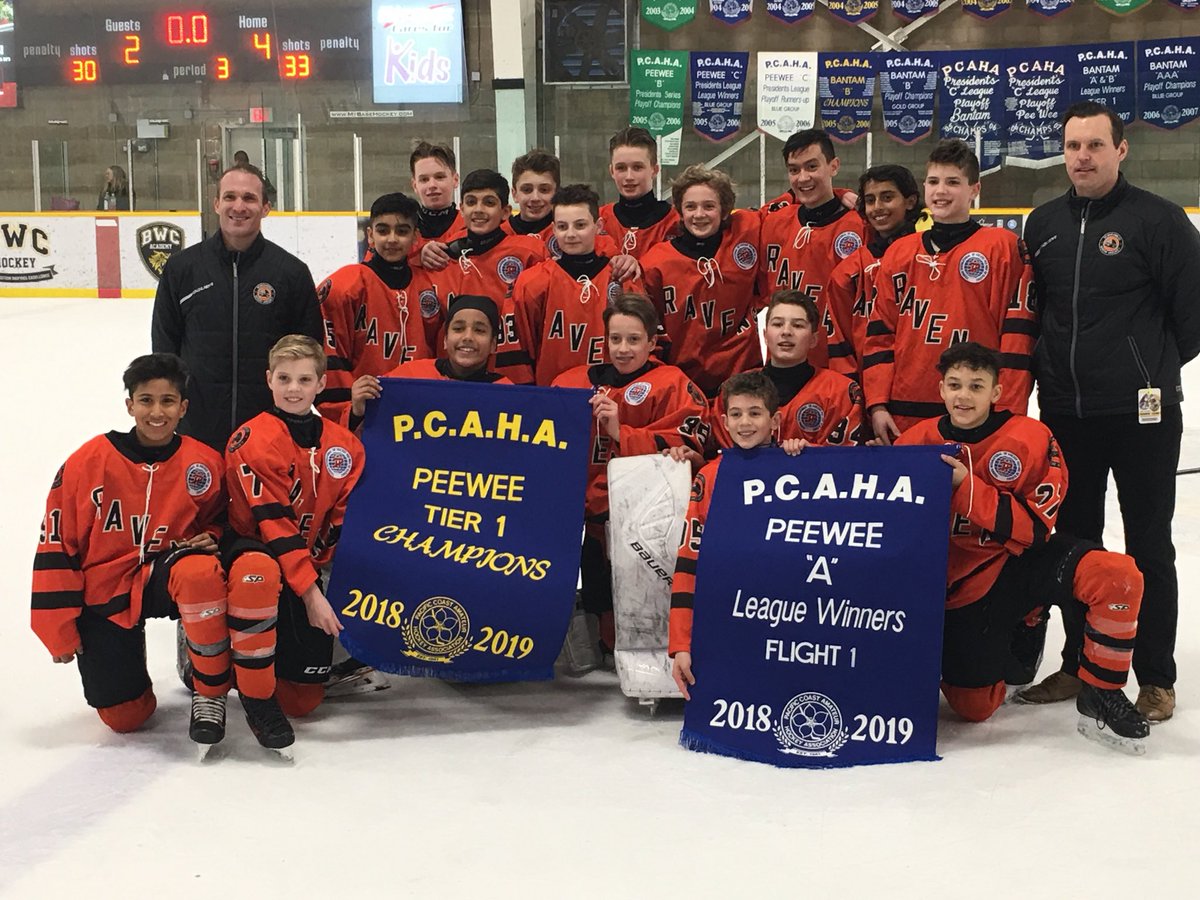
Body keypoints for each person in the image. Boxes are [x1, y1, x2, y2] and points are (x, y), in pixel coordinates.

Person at [1018, 101, 1200, 721]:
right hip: (1067, 412)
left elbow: (1192, 317)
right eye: (1073, 146)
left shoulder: (1161, 220)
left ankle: (1155, 676)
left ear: (1121, 150)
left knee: (1149, 543)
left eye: (1095, 145)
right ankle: (1078, 665)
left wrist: (1147, 368)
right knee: (1075, 544)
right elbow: (1034, 316)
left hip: (1143, 414)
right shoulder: (1041, 224)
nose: (1083, 157)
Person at [894, 342, 1149, 753]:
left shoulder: (1031, 436)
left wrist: (966, 489)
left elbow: (1034, 529)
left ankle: (1101, 690)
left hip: (1018, 561)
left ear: (996, 392)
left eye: (976, 386)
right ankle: (1021, 629)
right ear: (940, 389)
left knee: (1117, 576)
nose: (964, 396)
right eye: (955, 385)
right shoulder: (913, 442)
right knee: (974, 708)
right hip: (961, 586)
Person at [30, 353, 241, 751]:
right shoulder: (87, 462)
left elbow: (223, 520)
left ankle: (206, 682)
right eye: (146, 400)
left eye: (167, 401)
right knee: (126, 718)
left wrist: (214, 535)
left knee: (199, 573)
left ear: (184, 407)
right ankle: (126, 650)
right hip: (104, 590)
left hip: (167, 574)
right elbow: (57, 541)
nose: (156, 411)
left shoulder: (204, 463)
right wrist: (58, 629)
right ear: (129, 405)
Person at [224, 335, 365, 741]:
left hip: (303, 562)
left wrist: (317, 573)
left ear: (321, 384)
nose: (293, 389)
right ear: (268, 379)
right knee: (259, 572)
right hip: (256, 551)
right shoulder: (252, 440)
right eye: (284, 378)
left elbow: (339, 518)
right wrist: (310, 593)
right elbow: (274, 525)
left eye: (304, 380)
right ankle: (219, 656)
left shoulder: (345, 446)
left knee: (302, 702)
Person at [552, 294, 708, 657]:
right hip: (580, 511)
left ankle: (642, 650)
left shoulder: (672, 382)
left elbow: (691, 440)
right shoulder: (569, 382)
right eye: (615, 339)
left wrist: (623, 431)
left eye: (634, 340)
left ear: (653, 342)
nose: (623, 349)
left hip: (640, 518)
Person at [863, 139, 1035, 443]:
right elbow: (880, 335)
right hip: (906, 408)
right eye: (933, 181)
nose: (940, 191)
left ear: (974, 189)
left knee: (973, 490)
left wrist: (1009, 410)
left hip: (977, 410)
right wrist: (877, 402)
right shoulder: (899, 253)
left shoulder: (1002, 248)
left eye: (952, 182)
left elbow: (1017, 337)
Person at [151, 163, 321, 450]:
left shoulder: (291, 273)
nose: (238, 206)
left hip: (270, 429)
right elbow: (164, 348)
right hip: (197, 428)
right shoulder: (183, 269)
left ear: (266, 207)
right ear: (217, 203)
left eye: (249, 198)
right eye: (230, 197)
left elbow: (310, 350)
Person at [669, 371, 805, 699]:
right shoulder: (710, 477)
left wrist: (809, 458)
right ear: (724, 421)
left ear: (775, 421)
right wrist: (681, 645)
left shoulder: (800, 467)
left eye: (755, 413)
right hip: (730, 621)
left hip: (791, 626)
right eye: (736, 414)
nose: (745, 423)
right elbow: (689, 563)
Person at [317, 192, 443, 430]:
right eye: (383, 230)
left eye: (402, 231)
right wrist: (349, 411)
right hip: (364, 415)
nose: (392, 239)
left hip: (421, 415)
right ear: (370, 235)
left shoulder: (429, 286)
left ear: (416, 237)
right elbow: (332, 351)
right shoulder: (348, 285)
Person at [640, 164, 762, 399]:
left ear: (725, 210)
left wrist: (840, 195)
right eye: (690, 207)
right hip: (682, 384)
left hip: (743, 379)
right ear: (680, 211)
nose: (699, 214)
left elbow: (788, 213)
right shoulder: (656, 263)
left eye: (709, 206)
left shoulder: (745, 235)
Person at [419, 168, 548, 382]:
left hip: (514, 378)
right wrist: (419, 252)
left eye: (489, 202)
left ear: (505, 212)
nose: (478, 210)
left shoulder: (530, 253)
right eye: (471, 202)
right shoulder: (441, 257)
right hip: (453, 381)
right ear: (461, 209)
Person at [757, 129, 870, 368]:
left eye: (811, 166)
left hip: (839, 362)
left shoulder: (860, 225)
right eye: (794, 170)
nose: (802, 177)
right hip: (781, 362)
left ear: (834, 166)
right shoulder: (772, 222)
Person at [512, 183, 643, 386]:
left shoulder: (621, 277)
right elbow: (522, 349)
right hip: (552, 396)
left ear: (598, 226)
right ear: (553, 228)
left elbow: (642, 343)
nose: (571, 234)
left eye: (580, 225)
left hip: (612, 395)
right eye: (563, 226)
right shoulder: (533, 282)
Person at [709, 291, 865, 450]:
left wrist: (813, 455)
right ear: (765, 335)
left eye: (797, 325)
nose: (786, 332)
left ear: (813, 339)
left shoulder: (840, 393)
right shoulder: (733, 390)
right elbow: (720, 458)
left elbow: (847, 463)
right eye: (777, 324)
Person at [825, 165, 922, 380]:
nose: (877, 207)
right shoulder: (849, 271)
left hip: (921, 384)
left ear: (910, 201)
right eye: (870, 200)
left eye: (887, 197)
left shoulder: (932, 260)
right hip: (867, 385)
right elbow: (839, 341)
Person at [380, 294, 512, 386]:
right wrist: (358, 409)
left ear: (493, 344)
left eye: (479, 330)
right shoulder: (411, 375)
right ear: (445, 339)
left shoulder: (506, 391)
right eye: (458, 328)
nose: (468, 337)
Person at [599, 126, 680, 260]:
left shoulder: (676, 222)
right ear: (612, 171)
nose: (629, 176)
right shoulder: (598, 220)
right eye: (621, 168)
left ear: (654, 170)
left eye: (637, 167)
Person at [409, 140, 466, 260]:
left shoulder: (473, 228)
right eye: (424, 179)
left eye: (440, 177)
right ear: (415, 185)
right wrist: (416, 255)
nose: (432, 185)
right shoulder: (402, 233)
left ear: (455, 180)